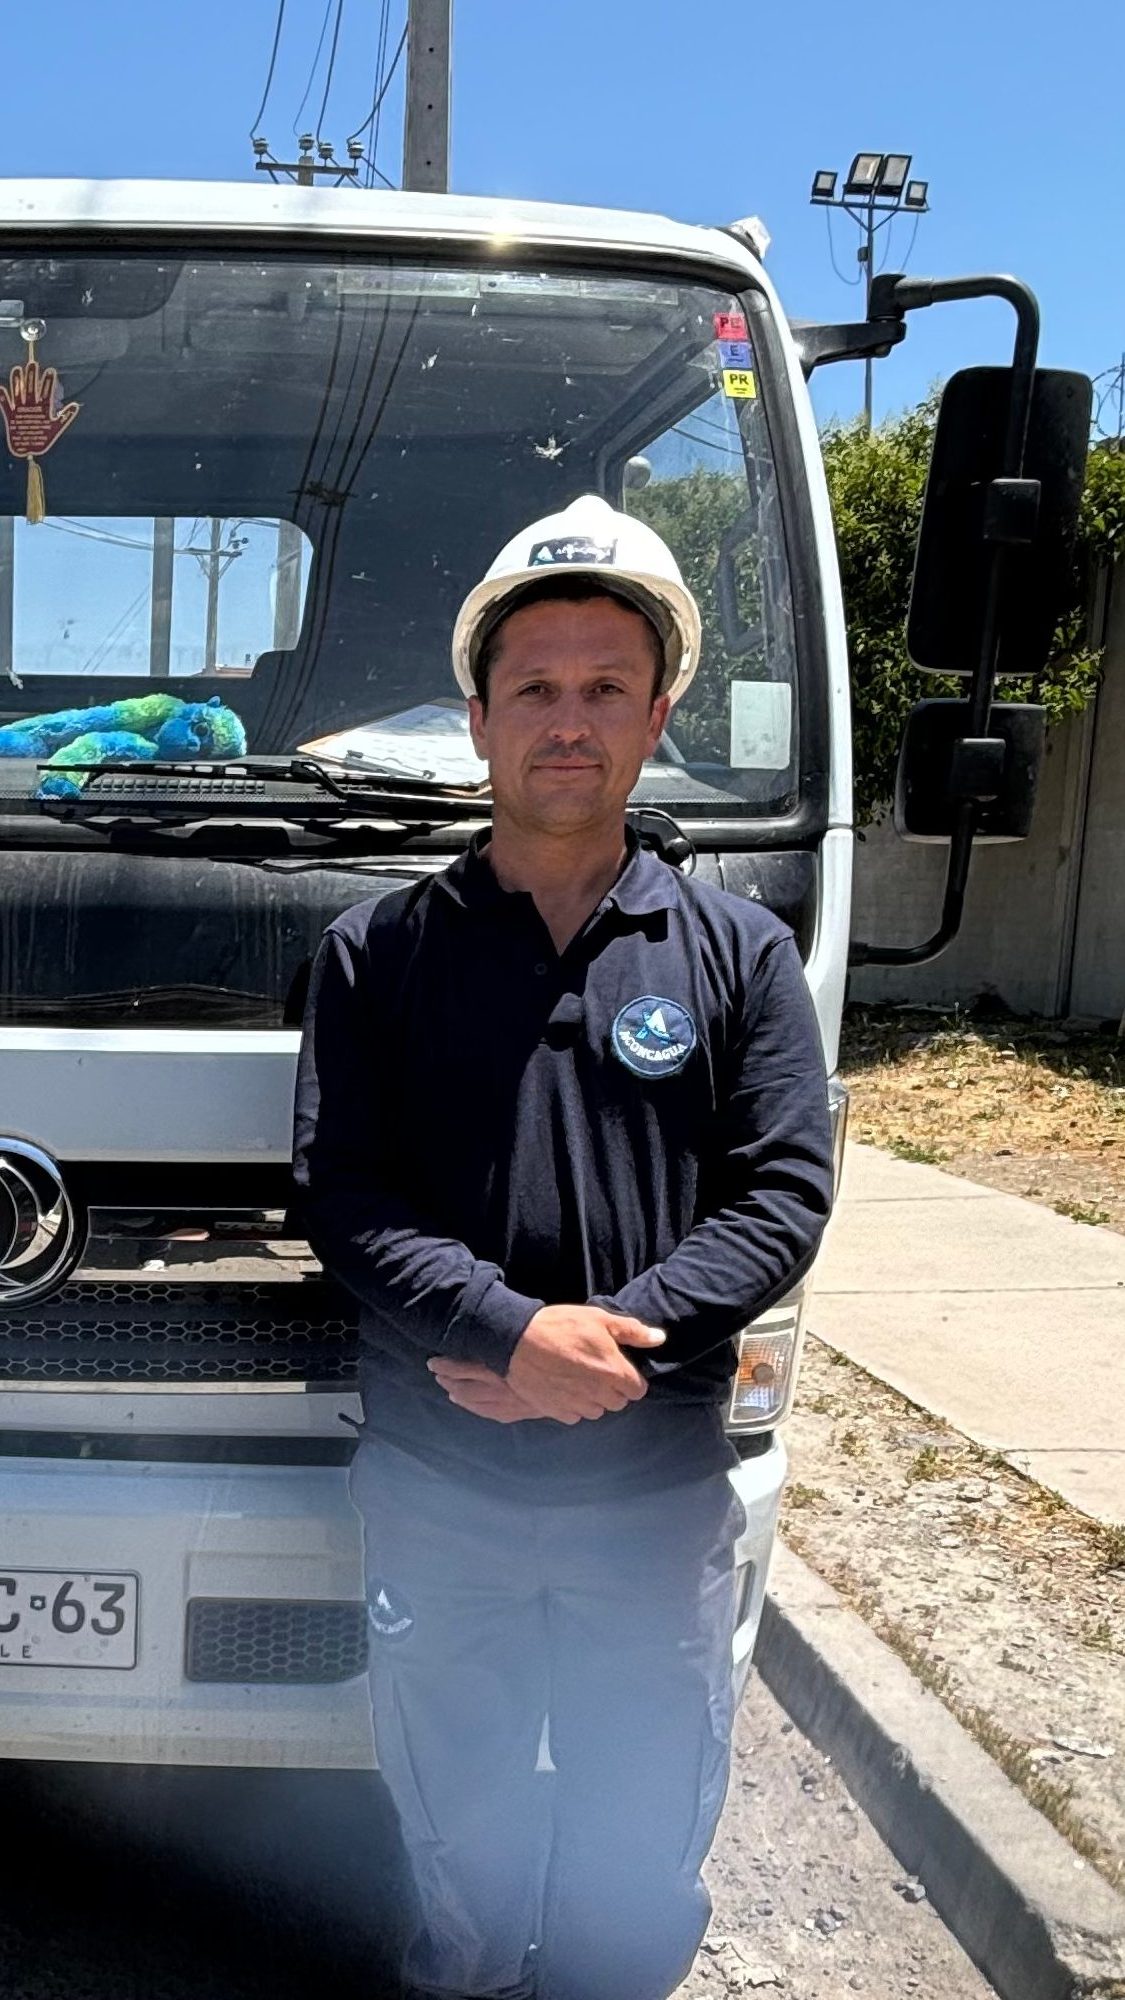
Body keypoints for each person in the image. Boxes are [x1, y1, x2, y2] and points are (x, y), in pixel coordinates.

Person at [292, 494, 834, 2000]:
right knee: (457, 1836)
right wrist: (504, 1333)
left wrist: (604, 1347)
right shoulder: (377, 954)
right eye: (533, 688)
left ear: (658, 717)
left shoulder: (738, 954)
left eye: (606, 687)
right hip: (441, 1489)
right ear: (476, 721)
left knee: (635, 1841)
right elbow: (342, 1193)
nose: (568, 722)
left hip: (649, 1497)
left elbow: (783, 1193)